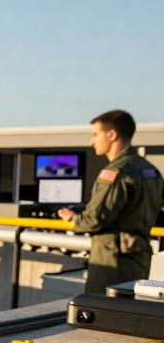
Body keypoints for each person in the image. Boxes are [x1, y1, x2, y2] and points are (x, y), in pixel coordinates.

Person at [56, 110, 163, 294]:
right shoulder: (150, 170)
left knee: (101, 308)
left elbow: (95, 220)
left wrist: (73, 219)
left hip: (111, 260)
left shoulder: (115, 173)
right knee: (130, 308)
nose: (91, 141)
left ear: (112, 135)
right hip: (139, 258)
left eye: (95, 134)